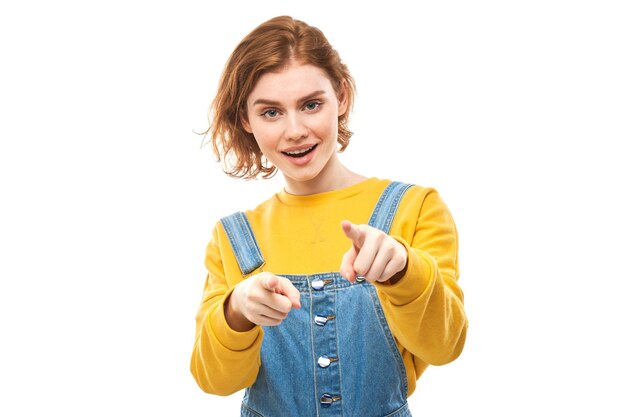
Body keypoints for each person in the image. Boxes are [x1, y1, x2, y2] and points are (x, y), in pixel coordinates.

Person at [190, 15, 468, 417]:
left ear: (342, 97)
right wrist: (237, 310)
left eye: (311, 104)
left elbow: (446, 346)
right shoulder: (234, 236)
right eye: (271, 112)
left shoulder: (415, 207)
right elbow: (214, 381)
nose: (295, 129)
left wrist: (405, 272)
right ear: (246, 120)